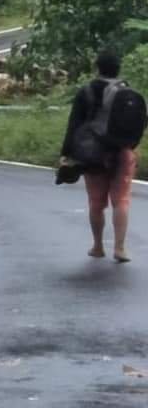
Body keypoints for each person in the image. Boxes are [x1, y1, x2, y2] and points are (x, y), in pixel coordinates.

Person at [60, 52, 138, 263]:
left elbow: (74, 124)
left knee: (96, 202)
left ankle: (98, 246)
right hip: (123, 152)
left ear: (97, 68)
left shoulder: (86, 91)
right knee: (121, 200)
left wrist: (66, 154)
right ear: (118, 68)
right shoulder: (127, 91)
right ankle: (120, 248)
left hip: (92, 153)